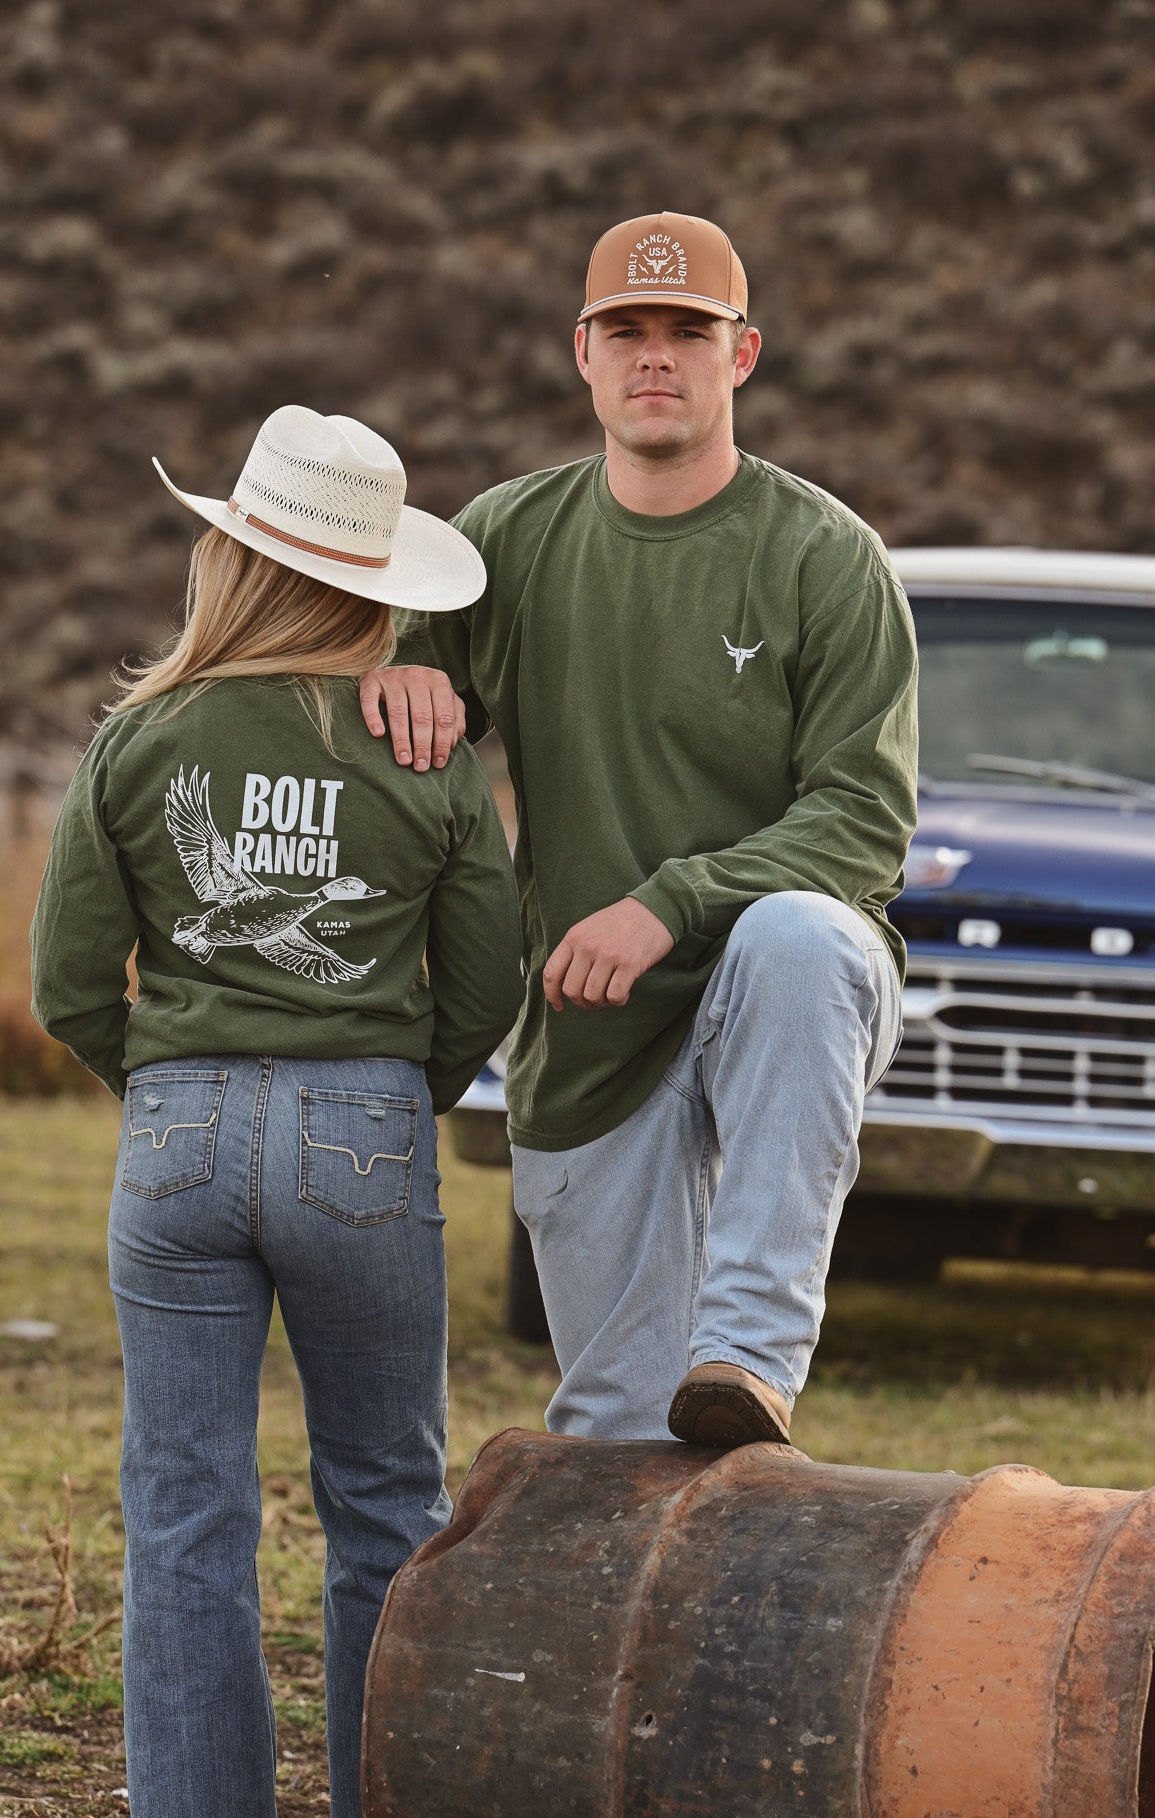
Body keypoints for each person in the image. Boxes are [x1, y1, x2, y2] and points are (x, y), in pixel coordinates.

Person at [30, 406, 523, 1818]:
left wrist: (171, 1082)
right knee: (386, 1497)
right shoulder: (418, 746)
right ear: (372, 580)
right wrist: (387, 1091)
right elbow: (486, 979)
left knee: (184, 1510)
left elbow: (63, 980)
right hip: (364, 1133)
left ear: (232, 556)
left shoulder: (138, 740)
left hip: (173, 1137)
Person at [360, 210, 918, 1449]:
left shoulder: (828, 557)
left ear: (744, 354)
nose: (655, 356)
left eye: (688, 331)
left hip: (775, 1001)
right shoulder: (505, 538)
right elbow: (390, 690)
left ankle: (749, 1353)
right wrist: (401, 670)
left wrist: (668, 903)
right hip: (592, 1024)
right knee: (616, 1437)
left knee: (800, 939)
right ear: (584, 354)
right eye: (628, 331)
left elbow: (863, 818)